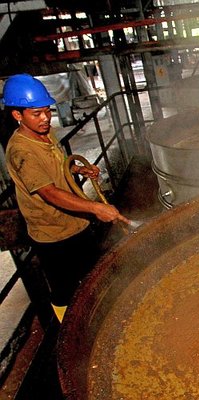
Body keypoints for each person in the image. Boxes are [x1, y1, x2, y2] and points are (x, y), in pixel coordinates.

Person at [2, 73, 129, 322]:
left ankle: (100, 318)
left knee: (92, 276)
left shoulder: (45, 134)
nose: (45, 118)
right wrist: (95, 208)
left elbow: (55, 167)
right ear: (18, 115)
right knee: (65, 292)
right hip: (54, 235)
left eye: (47, 111)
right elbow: (48, 192)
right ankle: (70, 332)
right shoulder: (21, 151)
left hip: (75, 224)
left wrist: (78, 169)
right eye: (36, 113)